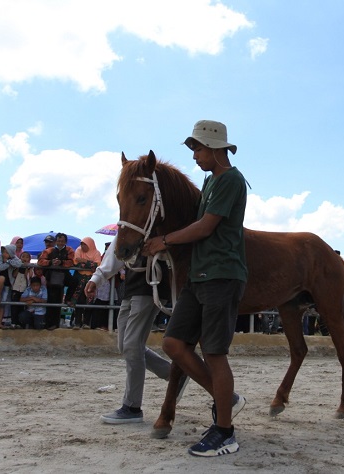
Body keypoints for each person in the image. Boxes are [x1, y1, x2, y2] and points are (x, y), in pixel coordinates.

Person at [143, 119, 247, 457]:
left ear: (216, 148)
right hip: (199, 277)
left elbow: (205, 227)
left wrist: (164, 240)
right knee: (173, 343)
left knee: (215, 354)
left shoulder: (231, 180)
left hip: (221, 275)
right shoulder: (211, 180)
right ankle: (225, 400)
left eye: (198, 149)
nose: (195, 156)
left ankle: (225, 431)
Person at [86, 237, 183, 424]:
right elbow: (118, 246)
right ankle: (174, 373)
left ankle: (132, 406)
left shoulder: (158, 221)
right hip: (132, 286)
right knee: (125, 345)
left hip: (152, 284)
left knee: (131, 345)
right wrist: (97, 277)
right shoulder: (132, 221)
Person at [37, 233, 78, 330]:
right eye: (59, 241)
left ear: (65, 242)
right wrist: (51, 262)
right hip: (51, 276)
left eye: (62, 241)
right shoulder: (49, 250)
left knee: (74, 282)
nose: (60, 243)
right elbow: (40, 261)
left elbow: (72, 262)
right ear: (56, 241)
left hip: (64, 275)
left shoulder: (69, 250)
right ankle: (49, 324)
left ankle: (67, 299)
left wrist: (61, 262)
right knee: (52, 299)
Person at [72, 237, 102, 329]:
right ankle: (77, 323)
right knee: (79, 300)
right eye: (81, 244)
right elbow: (76, 263)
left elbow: (97, 265)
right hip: (80, 279)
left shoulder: (97, 253)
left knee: (89, 300)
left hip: (91, 279)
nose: (82, 246)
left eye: (84, 244)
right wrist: (90, 264)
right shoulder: (78, 250)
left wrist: (84, 261)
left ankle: (86, 323)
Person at [0, 244, 22, 328]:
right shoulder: (0, 257)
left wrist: (8, 261)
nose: (4, 254)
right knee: (0, 300)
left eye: (6, 252)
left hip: (9, 284)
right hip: (0, 283)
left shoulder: (14, 258)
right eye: (4, 252)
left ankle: (1, 322)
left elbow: (19, 263)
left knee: (5, 302)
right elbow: (0, 267)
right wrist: (9, 264)